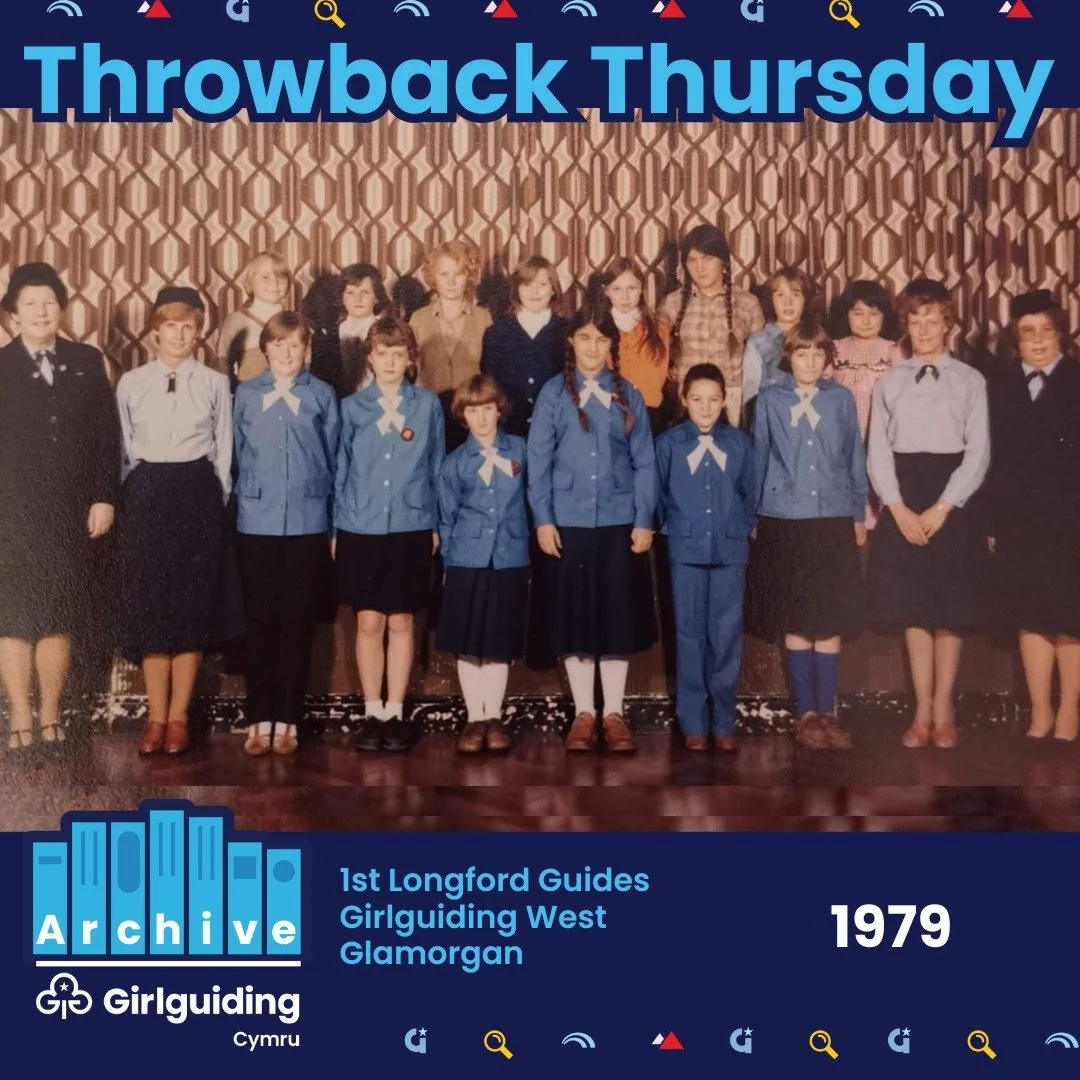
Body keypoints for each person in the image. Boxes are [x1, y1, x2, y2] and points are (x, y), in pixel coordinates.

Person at [113, 287, 242, 756]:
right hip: (147, 493)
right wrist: (134, 494)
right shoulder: (132, 383)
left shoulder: (213, 383)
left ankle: (179, 718)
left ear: (199, 332)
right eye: (171, 326)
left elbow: (223, 448)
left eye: (188, 326)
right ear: (155, 332)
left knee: (190, 605)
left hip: (197, 494)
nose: (179, 335)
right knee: (153, 603)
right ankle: (155, 717)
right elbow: (125, 447)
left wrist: (215, 500)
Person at [0, 262, 121, 752]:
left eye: (49, 302)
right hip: (11, 511)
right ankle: (19, 717)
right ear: (13, 314)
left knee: (57, 612)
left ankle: (51, 715)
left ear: (62, 308)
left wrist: (104, 496)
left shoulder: (86, 360)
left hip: (69, 508)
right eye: (30, 304)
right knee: (13, 615)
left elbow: (106, 435)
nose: (41, 311)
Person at [527, 301, 656, 753]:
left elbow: (645, 462)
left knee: (616, 620)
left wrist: (643, 520)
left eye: (602, 340)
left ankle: (613, 714)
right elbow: (538, 463)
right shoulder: (553, 394)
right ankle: (584, 713)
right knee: (577, 621)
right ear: (571, 342)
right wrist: (544, 520)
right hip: (570, 523)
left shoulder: (629, 394)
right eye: (584, 338)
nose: (593, 347)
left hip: (619, 523)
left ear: (611, 345)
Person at [867, 278, 990, 749]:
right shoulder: (890, 381)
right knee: (914, 608)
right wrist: (896, 507)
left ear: (947, 324)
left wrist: (944, 507)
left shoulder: (970, 381)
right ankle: (921, 712)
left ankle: (944, 709)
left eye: (931, 320)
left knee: (949, 608)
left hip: (951, 499)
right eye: (915, 321)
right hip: (904, 495)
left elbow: (977, 453)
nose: (922, 329)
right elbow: (878, 451)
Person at [746, 316, 867, 750]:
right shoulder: (769, 401)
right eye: (802, 352)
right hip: (785, 519)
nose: (811, 361)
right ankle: (806, 714)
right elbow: (758, 459)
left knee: (828, 617)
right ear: (789, 357)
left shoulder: (841, 399)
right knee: (797, 617)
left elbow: (855, 457)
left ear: (828, 358)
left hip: (832, 518)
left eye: (818, 353)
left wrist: (857, 513)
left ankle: (829, 712)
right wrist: (753, 516)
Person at [334, 315, 444, 752]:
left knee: (400, 620)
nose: (391, 362)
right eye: (383, 354)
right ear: (370, 358)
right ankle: (372, 711)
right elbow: (340, 470)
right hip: (360, 526)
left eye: (399, 354)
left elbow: (436, 468)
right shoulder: (352, 408)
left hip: (410, 524)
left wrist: (435, 524)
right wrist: (337, 528)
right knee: (368, 621)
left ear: (410, 359)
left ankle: (395, 712)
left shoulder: (427, 406)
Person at [233, 312, 341, 756]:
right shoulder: (246, 394)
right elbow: (238, 455)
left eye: (295, 344)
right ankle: (259, 716)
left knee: (297, 621)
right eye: (278, 344)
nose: (286, 352)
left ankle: (288, 719)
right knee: (260, 619)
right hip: (256, 521)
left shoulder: (322, 395)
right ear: (265, 349)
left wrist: (332, 525)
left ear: (307, 350)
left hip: (306, 521)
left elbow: (334, 460)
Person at [984, 290, 1080, 741]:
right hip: (1018, 520)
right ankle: (1040, 711)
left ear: (1061, 334)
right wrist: (992, 522)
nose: (1038, 340)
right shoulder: (999, 385)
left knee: (1070, 615)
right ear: (1015, 338)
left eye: (1047, 331)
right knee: (1030, 613)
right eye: (1028, 332)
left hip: (1070, 520)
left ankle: (1069, 711)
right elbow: (991, 459)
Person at [655, 364, 755, 752]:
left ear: (724, 400)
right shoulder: (669, 444)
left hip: (729, 550)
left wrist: (736, 527)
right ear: (684, 399)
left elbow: (749, 493)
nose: (706, 407)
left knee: (726, 635)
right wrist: (678, 527)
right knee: (689, 633)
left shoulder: (739, 444)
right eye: (697, 399)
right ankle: (693, 721)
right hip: (686, 549)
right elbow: (659, 496)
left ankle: (724, 720)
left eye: (714, 399)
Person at [436, 375, 529, 753]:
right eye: (473, 412)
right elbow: (446, 518)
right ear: (463, 416)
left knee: (497, 642)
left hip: (509, 558)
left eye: (487, 409)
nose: (482, 418)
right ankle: (474, 717)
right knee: (469, 642)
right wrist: (449, 565)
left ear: (499, 410)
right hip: (467, 560)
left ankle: (494, 717)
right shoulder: (454, 464)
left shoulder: (521, 451)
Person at [661, 223, 764, 425]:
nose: (700, 268)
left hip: (731, 405)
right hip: (686, 405)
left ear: (723, 261)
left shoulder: (747, 303)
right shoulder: (671, 303)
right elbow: (655, 353)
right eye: (692, 260)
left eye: (707, 258)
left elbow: (761, 364)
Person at [827, 280, 905, 529]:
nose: (866, 320)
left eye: (874, 313)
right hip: (842, 434)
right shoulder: (835, 349)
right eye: (858, 313)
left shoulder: (892, 351)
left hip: (879, 435)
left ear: (884, 316)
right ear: (846, 315)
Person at [410, 239, 493, 450]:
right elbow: (411, 370)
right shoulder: (418, 318)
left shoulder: (483, 318)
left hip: (472, 416)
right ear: (433, 277)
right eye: (444, 274)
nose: (451, 282)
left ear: (469, 276)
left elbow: (490, 372)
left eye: (459, 274)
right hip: (429, 414)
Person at [481, 255, 567, 438]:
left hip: (555, 431)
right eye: (526, 284)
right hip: (508, 432)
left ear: (553, 289)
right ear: (517, 289)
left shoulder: (566, 332)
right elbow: (490, 387)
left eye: (542, 284)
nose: (534, 292)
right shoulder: (496, 333)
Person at [594, 257, 672, 435]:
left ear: (641, 289)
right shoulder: (596, 329)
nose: (625, 297)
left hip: (648, 415)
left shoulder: (659, 330)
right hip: (605, 414)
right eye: (617, 289)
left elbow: (656, 380)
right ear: (607, 291)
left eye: (632, 288)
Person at [742, 266, 815, 423]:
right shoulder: (759, 341)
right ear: (771, 299)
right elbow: (750, 392)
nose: (788, 302)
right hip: (771, 420)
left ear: (805, 299)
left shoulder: (815, 338)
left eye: (796, 294)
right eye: (780, 295)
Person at [216, 251, 291, 383]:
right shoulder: (237, 320)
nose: (274, 283)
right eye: (265, 277)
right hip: (249, 393)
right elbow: (222, 366)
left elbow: (306, 366)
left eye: (281, 277)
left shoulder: (295, 321)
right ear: (250, 282)